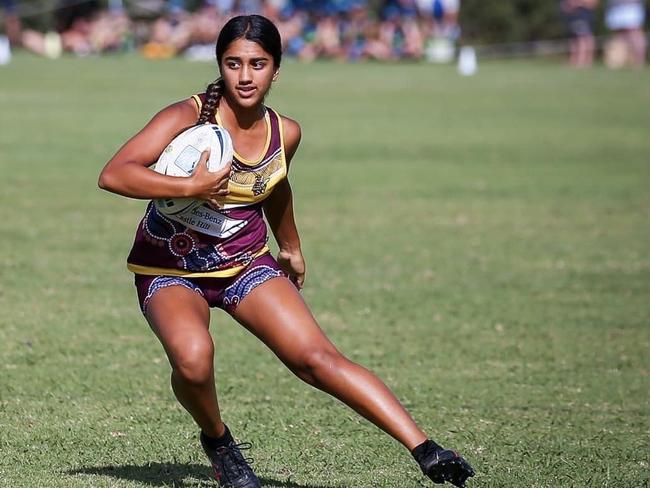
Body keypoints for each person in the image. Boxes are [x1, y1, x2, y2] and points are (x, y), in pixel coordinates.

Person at [98, 14, 475, 488]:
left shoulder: (286, 132)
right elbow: (114, 173)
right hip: (169, 266)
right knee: (194, 359)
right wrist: (188, 184)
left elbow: (275, 187)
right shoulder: (184, 117)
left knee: (316, 359)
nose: (245, 75)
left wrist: (291, 247)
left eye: (258, 63)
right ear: (220, 65)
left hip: (244, 263)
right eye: (233, 63)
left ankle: (427, 450)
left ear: (277, 69)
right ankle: (219, 442)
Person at [561, 0, 598, 68]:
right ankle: (574, 61)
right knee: (574, 39)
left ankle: (583, 61)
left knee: (584, 39)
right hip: (573, 17)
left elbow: (593, 3)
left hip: (584, 16)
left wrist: (579, 3)